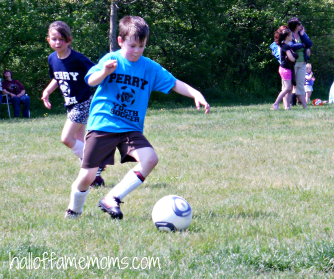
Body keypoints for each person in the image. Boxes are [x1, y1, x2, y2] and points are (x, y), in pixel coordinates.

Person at [65, 16, 210, 219]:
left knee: (150, 159)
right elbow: (90, 80)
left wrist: (195, 93)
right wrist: (105, 72)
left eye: (141, 46)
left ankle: (112, 198)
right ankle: (74, 210)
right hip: (103, 124)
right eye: (132, 45)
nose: (137, 51)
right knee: (87, 176)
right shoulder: (110, 60)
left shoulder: (149, 67)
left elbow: (174, 83)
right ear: (120, 41)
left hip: (130, 127)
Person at [41, 21, 105, 187]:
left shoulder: (77, 59)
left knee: (66, 138)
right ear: (48, 40)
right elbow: (57, 77)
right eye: (54, 39)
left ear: (69, 40)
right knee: (80, 142)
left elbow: (96, 72)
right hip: (70, 105)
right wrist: (47, 91)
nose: (58, 42)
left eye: (61, 39)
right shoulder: (52, 59)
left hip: (83, 103)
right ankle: (94, 177)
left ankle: (94, 162)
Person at [287, 17, 313, 109]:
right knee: (289, 85)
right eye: (299, 24)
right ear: (294, 26)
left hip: (302, 63)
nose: (301, 25)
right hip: (292, 63)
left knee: (301, 85)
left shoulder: (302, 34)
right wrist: (303, 45)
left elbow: (309, 44)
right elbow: (291, 46)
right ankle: (288, 106)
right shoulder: (288, 34)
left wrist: (302, 35)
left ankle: (304, 107)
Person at [271, 26, 298, 110]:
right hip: (285, 69)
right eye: (290, 35)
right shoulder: (285, 47)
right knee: (287, 88)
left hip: (287, 69)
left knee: (289, 89)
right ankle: (276, 104)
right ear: (287, 37)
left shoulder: (285, 45)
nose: (292, 37)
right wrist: (295, 56)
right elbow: (292, 58)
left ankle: (288, 107)